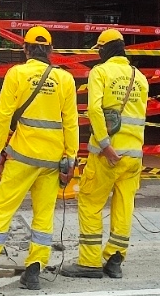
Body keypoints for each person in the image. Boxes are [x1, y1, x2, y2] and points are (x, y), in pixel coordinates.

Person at [0, 26, 79, 290]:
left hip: (22, 156)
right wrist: (70, 158)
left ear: (25, 49)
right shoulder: (65, 80)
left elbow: (3, 115)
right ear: (50, 51)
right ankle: (34, 271)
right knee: (43, 215)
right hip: (51, 160)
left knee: (2, 209)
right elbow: (71, 122)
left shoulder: (17, 74)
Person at [60, 28, 149, 280]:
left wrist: (105, 144)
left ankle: (89, 262)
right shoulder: (140, 77)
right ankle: (115, 259)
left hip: (107, 154)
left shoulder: (100, 72)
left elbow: (94, 110)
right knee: (124, 206)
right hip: (134, 155)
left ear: (105, 49)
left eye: (99, 48)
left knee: (89, 202)